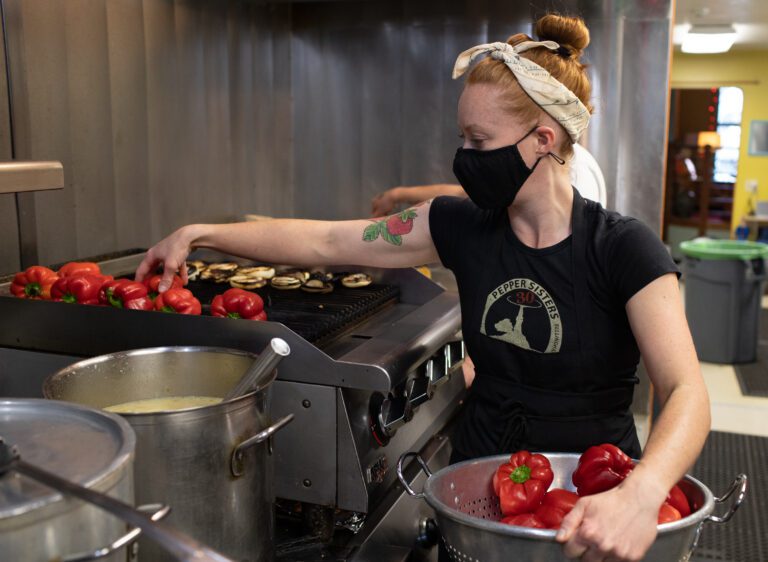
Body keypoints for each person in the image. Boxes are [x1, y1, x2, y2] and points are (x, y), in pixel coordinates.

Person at [137, 14, 710, 562]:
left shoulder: (623, 247)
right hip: (481, 489)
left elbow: (685, 389)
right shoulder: (458, 225)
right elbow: (329, 243)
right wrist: (203, 233)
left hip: (593, 494)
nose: (464, 157)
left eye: (479, 141)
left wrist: (642, 494)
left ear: (543, 138)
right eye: (462, 137)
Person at [371, 142, 607, 217]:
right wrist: (397, 195)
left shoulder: (573, 172)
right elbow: (463, 194)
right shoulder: (538, 160)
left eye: (481, 139)